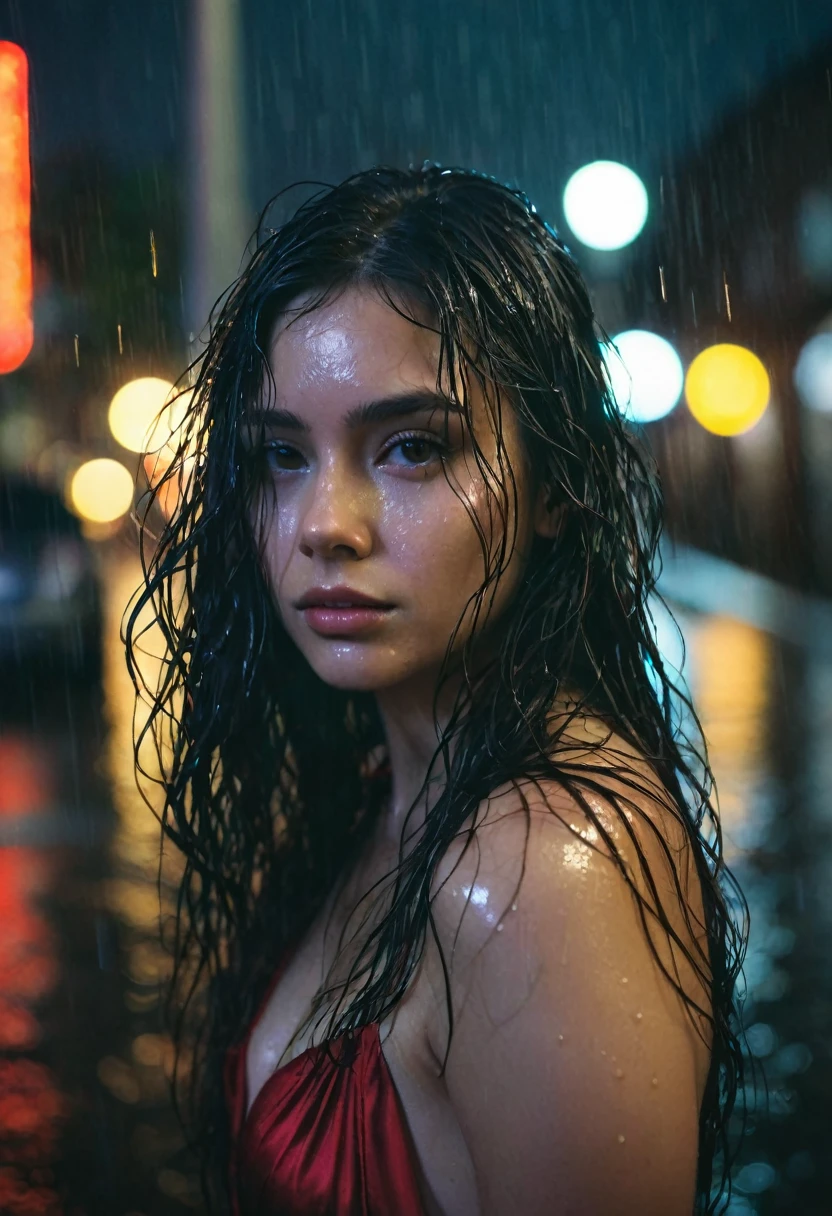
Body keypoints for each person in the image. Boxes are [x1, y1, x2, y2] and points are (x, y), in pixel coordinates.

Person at [125, 164, 748, 1216]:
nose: (325, 522)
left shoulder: (537, 869)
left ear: (552, 484)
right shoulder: (385, 790)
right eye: (281, 455)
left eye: (411, 447)